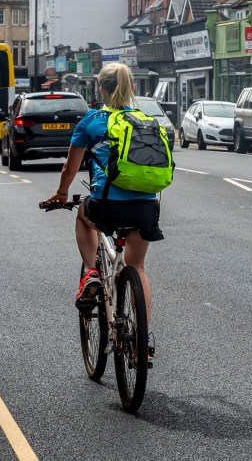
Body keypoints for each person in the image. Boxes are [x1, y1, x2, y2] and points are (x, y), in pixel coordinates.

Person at [41, 63, 164, 317]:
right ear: (132, 88)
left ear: (100, 90)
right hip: (146, 206)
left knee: (83, 215)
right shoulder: (146, 120)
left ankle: (91, 272)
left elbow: (70, 168)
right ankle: (142, 349)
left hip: (107, 206)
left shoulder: (93, 120)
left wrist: (62, 194)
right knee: (138, 268)